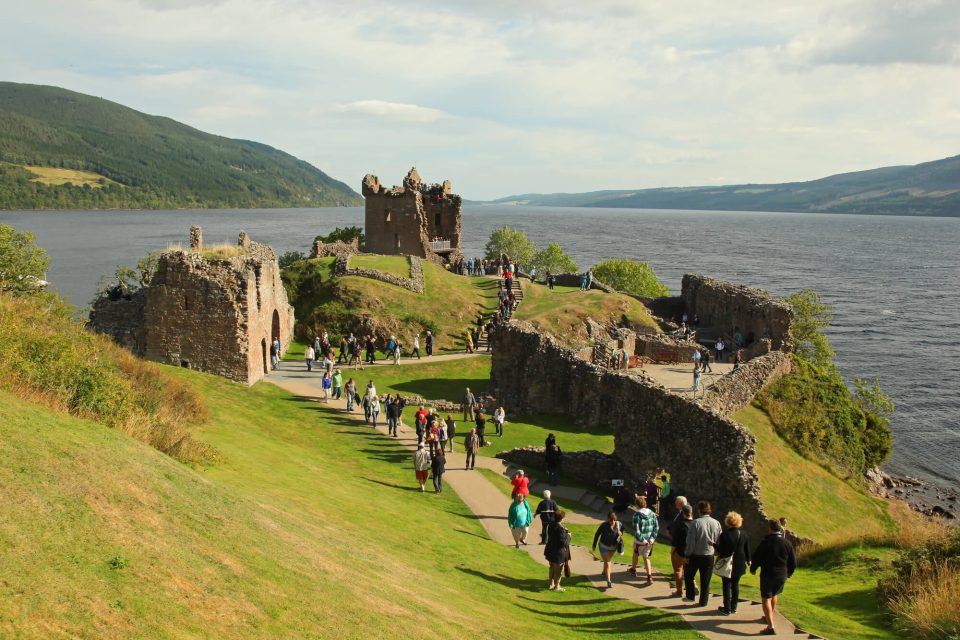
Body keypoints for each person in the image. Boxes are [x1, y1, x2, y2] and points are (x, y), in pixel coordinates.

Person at [750, 518, 797, 636]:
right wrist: (789, 572)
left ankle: (770, 626)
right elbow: (793, 561)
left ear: (770, 529)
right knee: (774, 594)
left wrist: (753, 568)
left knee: (766, 598)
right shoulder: (787, 543)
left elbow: (757, 557)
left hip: (768, 574)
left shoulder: (766, 542)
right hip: (782, 575)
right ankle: (769, 616)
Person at [684, 501, 723, 607]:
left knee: (688, 575)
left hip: (696, 555)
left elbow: (691, 542)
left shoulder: (695, 523)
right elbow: (719, 539)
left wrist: (687, 554)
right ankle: (703, 602)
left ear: (699, 510)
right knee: (705, 580)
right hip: (709, 555)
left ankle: (690, 596)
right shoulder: (717, 523)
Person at [715, 511, 751, 616]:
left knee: (726, 585)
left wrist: (713, 544)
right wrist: (749, 560)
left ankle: (727, 608)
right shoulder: (744, 534)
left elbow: (721, 550)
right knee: (735, 585)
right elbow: (747, 549)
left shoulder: (724, 535)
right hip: (739, 562)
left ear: (728, 521)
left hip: (727, 563)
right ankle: (734, 607)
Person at [628, 495, 659, 585]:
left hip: (640, 542)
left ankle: (633, 570)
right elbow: (656, 527)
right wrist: (652, 539)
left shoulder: (636, 516)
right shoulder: (652, 513)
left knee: (635, 553)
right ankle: (649, 577)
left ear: (637, 505)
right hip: (650, 542)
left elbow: (637, 531)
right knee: (646, 557)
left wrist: (643, 541)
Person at [592, 511, 623, 588]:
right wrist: (594, 545)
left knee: (606, 561)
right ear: (608, 519)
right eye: (611, 520)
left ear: (615, 519)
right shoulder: (604, 525)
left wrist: (620, 533)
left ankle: (603, 572)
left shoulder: (619, 524)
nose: (612, 522)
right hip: (603, 546)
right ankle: (609, 581)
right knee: (608, 562)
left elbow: (622, 531)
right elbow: (597, 534)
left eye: (614, 520)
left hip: (613, 547)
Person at [667, 499, 691, 597]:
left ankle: (679, 591)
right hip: (690, 551)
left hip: (680, 550)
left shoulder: (681, 525)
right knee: (688, 571)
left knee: (678, 571)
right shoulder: (694, 524)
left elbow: (676, 539)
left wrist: (672, 550)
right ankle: (693, 588)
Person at [544, 510, 570, 591]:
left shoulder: (551, 524)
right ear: (561, 518)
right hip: (558, 552)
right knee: (558, 570)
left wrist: (563, 531)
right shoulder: (559, 529)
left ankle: (551, 584)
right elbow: (563, 542)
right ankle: (557, 586)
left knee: (551, 567)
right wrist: (568, 536)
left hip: (550, 549)